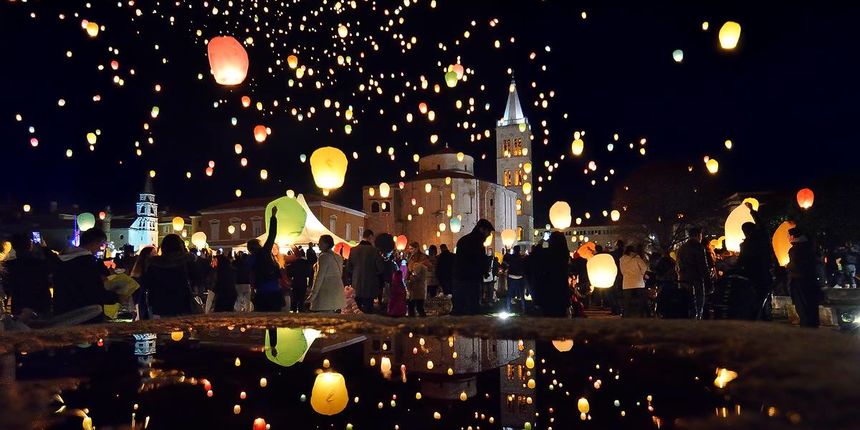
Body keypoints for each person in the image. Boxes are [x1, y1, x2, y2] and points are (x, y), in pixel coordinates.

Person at [53, 229, 119, 322]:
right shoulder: (88, 263)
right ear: (95, 242)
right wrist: (116, 297)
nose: (99, 249)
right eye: (101, 245)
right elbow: (94, 291)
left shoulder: (61, 260)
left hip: (64, 313)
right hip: (86, 315)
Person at [142, 234, 197, 317]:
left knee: (163, 327)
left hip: (160, 301)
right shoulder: (186, 261)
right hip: (182, 300)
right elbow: (196, 278)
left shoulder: (154, 263)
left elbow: (147, 283)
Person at [2, 233, 53, 317]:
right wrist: (44, 248)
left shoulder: (9, 266)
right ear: (30, 245)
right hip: (41, 305)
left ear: (13, 246)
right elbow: (55, 265)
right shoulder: (40, 264)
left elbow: (6, 289)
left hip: (19, 306)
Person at [452, 219, 494, 315]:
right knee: (472, 308)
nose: (489, 235)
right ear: (482, 229)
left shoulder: (463, 240)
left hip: (460, 278)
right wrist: (484, 269)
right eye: (488, 231)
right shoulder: (476, 243)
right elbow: (477, 260)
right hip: (471, 280)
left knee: (460, 308)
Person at [737, 214, 775, 319]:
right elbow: (763, 227)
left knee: (757, 301)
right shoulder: (762, 238)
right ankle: (765, 316)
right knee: (763, 301)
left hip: (754, 276)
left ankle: (760, 317)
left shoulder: (751, 243)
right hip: (763, 274)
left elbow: (741, 261)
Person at [248, 206, 284, 312]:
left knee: (262, 319)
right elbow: (272, 234)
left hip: (261, 290)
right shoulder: (265, 251)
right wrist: (273, 216)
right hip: (273, 288)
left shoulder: (251, 259)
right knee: (274, 319)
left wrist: (252, 289)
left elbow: (251, 274)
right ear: (258, 245)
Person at [787, 227, 822, 327]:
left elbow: (795, 265)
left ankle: (806, 329)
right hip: (811, 280)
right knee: (811, 307)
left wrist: (788, 266)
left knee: (803, 308)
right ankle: (812, 327)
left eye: (788, 236)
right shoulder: (811, 246)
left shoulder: (796, 249)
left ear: (792, 236)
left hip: (800, 281)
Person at [346, 229, 384, 313]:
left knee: (356, 310)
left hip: (356, 286)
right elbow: (380, 269)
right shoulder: (375, 251)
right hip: (370, 286)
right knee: (369, 310)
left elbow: (349, 268)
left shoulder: (353, 250)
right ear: (370, 237)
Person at [534, 232, 571, 317]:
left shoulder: (548, 253)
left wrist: (541, 242)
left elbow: (535, 255)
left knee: (548, 315)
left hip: (548, 288)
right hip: (561, 288)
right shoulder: (564, 253)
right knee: (561, 316)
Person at [677, 227, 710, 319]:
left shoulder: (681, 248)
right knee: (698, 303)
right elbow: (703, 265)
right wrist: (708, 282)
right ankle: (697, 321)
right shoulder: (698, 247)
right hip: (696, 279)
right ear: (699, 235)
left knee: (687, 302)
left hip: (683, 279)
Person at [308, 235, 346, 312]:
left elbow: (319, 277)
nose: (318, 244)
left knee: (324, 318)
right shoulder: (338, 257)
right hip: (337, 293)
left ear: (326, 244)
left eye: (320, 242)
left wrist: (312, 295)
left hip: (325, 294)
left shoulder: (324, 257)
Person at [620, 245, 648, 317]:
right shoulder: (637, 258)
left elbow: (622, 271)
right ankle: (640, 314)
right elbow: (644, 267)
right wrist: (641, 274)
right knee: (641, 300)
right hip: (638, 282)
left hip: (627, 283)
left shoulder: (622, 259)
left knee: (627, 301)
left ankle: (625, 315)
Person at [129, 246, 155, 319]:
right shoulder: (139, 275)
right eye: (154, 253)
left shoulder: (137, 273)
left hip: (148, 304)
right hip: (142, 304)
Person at [405, 242, 429, 317]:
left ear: (417, 248)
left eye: (412, 248)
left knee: (419, 307)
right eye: (409, 249)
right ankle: (412, 323)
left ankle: (425, 324)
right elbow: (408, 270)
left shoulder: (423, 257)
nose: (410, 250)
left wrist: (415, 270)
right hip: (412, 285)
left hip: (419, 285)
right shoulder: (411, 257)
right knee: (410, 306)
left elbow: (425, 269)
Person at [503, 245, 527, 314]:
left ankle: (508, 309)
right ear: (519, 250)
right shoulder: (522, 258)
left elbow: (504, 260)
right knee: (522, 295)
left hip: (512, 277)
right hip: (519, 277)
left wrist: (508, 265)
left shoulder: (510, 257)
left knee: (509, 294)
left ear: (513, 250)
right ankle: (523, 309)